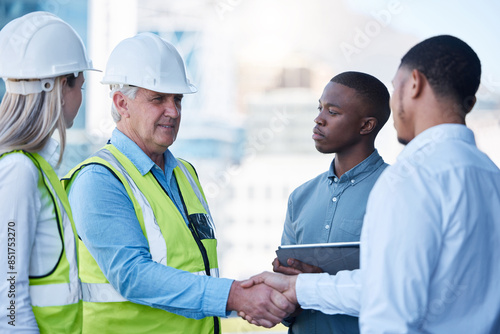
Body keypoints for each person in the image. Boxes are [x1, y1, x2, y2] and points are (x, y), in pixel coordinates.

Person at [241, 35, 500, 333]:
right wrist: (300, 287)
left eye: (395, 86)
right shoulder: (491, 176)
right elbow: (390, 284)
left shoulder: (409, 177)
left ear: (414, 83)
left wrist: (300, 286)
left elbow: (388, 305)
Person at [62, 32, 293, 334]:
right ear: (122, 103)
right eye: (158, 98)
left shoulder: (185, 174)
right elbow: (132, 275)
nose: (173, 111)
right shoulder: (99, 179)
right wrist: (235, 295)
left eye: (178, 99)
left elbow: (195, 267)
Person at [0, 11, 96, 333]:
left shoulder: (36, 165)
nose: (81, 98)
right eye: (79, 85)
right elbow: (8, 305)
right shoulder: (19, 171)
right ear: (58, 86)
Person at [272, 71, 390, 334]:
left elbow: (401, 291)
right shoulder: (300, 197)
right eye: (319, 107)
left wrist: (318, 286)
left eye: (332, 112)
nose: (318, 119)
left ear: (366, 125)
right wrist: (284, 292)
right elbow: (284, 298)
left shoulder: (398, 191)